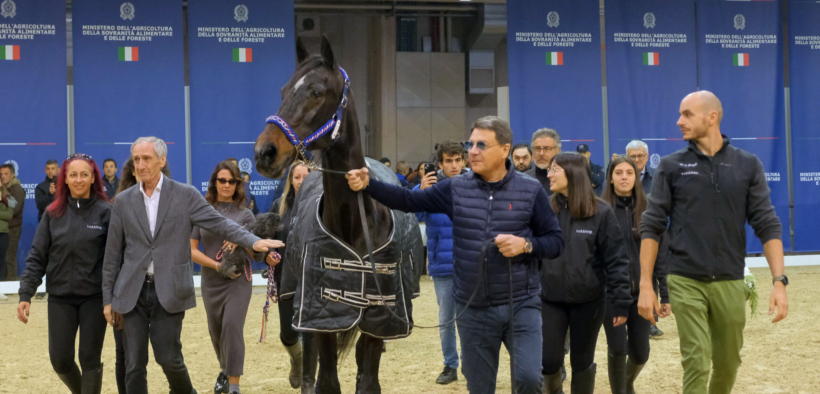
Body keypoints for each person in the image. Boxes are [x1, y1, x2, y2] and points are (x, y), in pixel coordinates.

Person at [346, 116, 565, 394]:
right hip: (473, 308)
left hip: (520, 304)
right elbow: (408, 201)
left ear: (504, 150)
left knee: (528, 380)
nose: (472, 151)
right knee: (479, 387)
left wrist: (526, 245)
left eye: (481, 145)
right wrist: (369, 185)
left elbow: (556, 242)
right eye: (470, 144)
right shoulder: (455, 188)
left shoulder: (530, 189)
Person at [102, 137, 283, 394]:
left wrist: (253, 242)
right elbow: (111, 255)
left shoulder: (185, 195)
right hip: (131, 291)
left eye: (146, 159)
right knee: (133, 365)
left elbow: (220, 223)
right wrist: (108, 299)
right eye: (136, 159)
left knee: (169, 359)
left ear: (162, 160)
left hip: (171, 289)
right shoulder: (123, 201)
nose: (140, 165)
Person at [638, 91, 789, 394]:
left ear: (712, 117)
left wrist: (779, 280)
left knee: (728, 363)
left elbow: (767, 223)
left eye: (687, 114)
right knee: (696, 360)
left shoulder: (747, 164)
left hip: (730, 279)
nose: (679, 121)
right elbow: (652, 226)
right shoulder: (671, 165)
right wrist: (645, 284)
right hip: (684, 278)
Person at [17, 153, 111, 394]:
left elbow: (115, 259)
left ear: (93, 179)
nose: (78, 180)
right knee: (60, 360)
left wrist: (113, 298)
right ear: (65, 180)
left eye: (84, 175)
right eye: (73, 175)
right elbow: (38, 255)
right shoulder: (52, 213)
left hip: (94, 298)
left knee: (89, 358)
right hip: (60, 298)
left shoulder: (106, 212)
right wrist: (26, 293)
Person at [540, 152, 631, 394]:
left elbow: (617, 261)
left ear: (573, 173)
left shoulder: (602, 212)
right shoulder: (544, 209)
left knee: (581, 362)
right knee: (548, 360)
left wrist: (621, 303)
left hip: (589, 302)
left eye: (554, 169)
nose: (548, 174)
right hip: (549, 300)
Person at [190, 161, 280, 394]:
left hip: (239, 280)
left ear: (238, 184)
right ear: (214, 183)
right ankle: (224, 369)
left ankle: (233, 384)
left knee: (232, 326)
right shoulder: (201, 211)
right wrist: (216, 265)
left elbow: (256, 253)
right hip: (211, 279)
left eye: (232, 181)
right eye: (222, 180)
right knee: (216, 330)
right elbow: (191, 250)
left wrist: (245, 242)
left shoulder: (246, 214)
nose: (227, 185)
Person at [601, 155, 670, 394]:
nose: (624, 177)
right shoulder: (600, 210)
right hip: (611, 293)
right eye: (618, 173)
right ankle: (620, 390)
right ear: (610, 178)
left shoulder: (649, 210)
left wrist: (664, 293)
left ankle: (627, 382)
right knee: (618, 349)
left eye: (629, 173)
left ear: (637, 177)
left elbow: (660, 254)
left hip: (643, 293)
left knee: (641, 353)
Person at [413, 141, 469, 385]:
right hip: (443, 265)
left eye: (458, 160)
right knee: (446, 319)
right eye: (449, 161)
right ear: (440, 163)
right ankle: (450, 365)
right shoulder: (430, 188)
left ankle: (472, 365)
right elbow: (413, 216)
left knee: (472, 319)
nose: (454, 165)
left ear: (465, 161)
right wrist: (421, 191)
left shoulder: (476, 184)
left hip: (473, 263)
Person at [271, 161, 318, 393]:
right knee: (288, 334)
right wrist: (267, 253)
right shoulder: (278, 207)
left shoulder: (322, 205)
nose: (300, 182)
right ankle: (296, 359)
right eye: (296, 177)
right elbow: (265, 240)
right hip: (285, 279)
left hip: (315, 280)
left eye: (304, 177)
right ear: (290, 180)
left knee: (311, 331)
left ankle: (309, 382)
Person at [0, 163, 24, 280]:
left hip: (13, 228)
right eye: (1, 174)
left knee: (9, 257)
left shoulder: (17, 189)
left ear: (13, 175)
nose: (3, 176)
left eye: (6, 174)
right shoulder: (3, 189)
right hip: (3, 229)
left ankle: (10, 285)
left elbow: (14, 210)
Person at [525, 128, 562, 195]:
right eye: (537, 148)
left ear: (558, 150)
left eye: (546, 148)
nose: (541, 153)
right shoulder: (523, 180)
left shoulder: (568, 179)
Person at [0, 179, 14, 289]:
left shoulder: (8, 197)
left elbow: (9, 215)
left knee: (1, 260)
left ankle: (1, 288)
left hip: (3, 233)